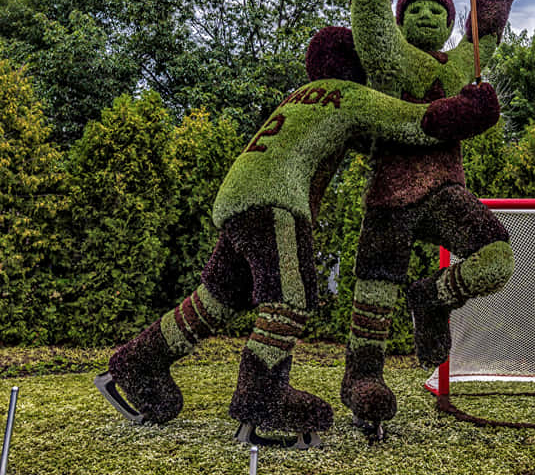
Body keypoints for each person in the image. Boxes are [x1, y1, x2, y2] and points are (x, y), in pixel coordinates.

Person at [95, 25, 500, 448]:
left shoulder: (298, 97)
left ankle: (139, 363)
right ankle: (262, 395)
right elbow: (416, 122)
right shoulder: (348, 94)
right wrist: (472, 109)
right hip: (276, 200)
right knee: (293, 295)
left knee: (217, 299)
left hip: (237, 197)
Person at [340, 0, 518, 437]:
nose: (426, 16)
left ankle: (431, 297)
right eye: (415, 8)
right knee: (373, 295)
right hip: (389, 196)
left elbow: (483, 42)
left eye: (437, 11)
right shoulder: (389, 56)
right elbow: (369, 15)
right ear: (402, 18)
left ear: (449, 23)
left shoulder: (460, 66)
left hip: (445, 191)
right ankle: (361, 381)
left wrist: (492, 0)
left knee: (496, 257)